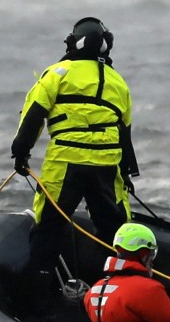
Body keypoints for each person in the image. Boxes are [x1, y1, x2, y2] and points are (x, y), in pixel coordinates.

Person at [11, 17, 139, 297]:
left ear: (73, 42)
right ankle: (114, 291)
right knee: (114, 230)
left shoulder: (57, 73)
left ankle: (39, 296)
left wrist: (21, 153)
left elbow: (33, 116)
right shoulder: (118, 82)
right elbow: (124, 132)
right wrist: (127, 173)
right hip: (107, 165)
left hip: (66, 162)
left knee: (49, 226)